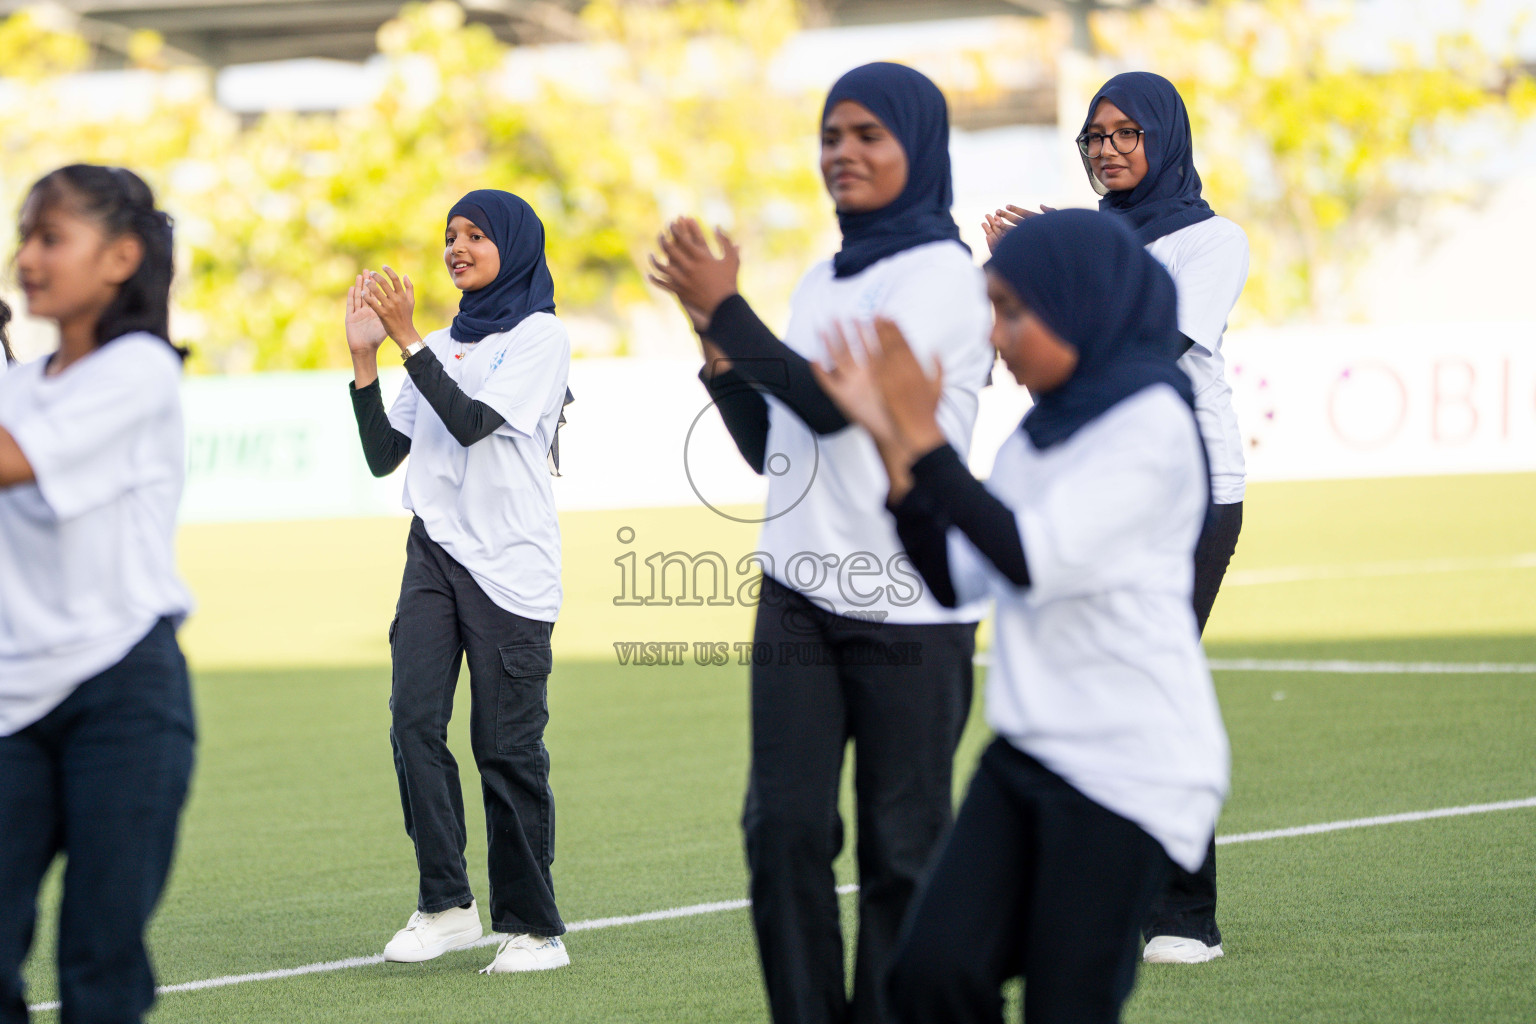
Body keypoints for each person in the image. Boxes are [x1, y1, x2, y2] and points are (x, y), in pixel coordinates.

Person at [814, 208, 1229, 1024]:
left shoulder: (1154, 422)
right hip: (1034, 750)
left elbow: (1030, 557)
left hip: (1129, 768)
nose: (997, 337)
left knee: (1065, 1005)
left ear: (1079, 302)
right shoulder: (1037, 435)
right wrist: (897, 447)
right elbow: (955, 574)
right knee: (931, 976)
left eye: (1012, 311)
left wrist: (924, 439)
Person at [648, 62, 994, 1024]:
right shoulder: (815, 280)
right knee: (782, 831)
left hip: (912, 605)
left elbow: (851, 413)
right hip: (799, 587)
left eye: (869, 135)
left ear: (918, 147)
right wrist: (720, 358)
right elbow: (780, 450)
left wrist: (727, 309)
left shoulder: (947, 279)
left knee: (901, 851)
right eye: (830, 135)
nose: (843, 152)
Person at [983, 70, 1248, 964]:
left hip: (1190, 483)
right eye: (1095, 136)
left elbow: (1148, 345)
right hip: (1090, 479)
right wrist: (1037, 265)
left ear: (1165, 137)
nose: (1107, 149)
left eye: (1127, 133)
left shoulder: (1214, 241)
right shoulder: (1094, 241)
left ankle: (1182, 914)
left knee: (1144, 672)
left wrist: (1062, 259)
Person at [346, 189, 572, 974]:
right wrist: (365, 357)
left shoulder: (541, 338)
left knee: (504, 747)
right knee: (413, 721)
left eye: (476, 234)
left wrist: (409, 340)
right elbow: (386, 455)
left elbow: (473, 423)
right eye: (450, 235)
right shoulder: (439, 341)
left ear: (513, 243)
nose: (457, 246)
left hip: (511, 567)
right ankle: (447, 905)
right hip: (434, 552)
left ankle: (534, 929)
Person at [0, 164, 195, 1024]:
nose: (26, 257)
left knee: (100, 957)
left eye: (51, 237)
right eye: (24, 237)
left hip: (121, 690)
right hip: (10, 703)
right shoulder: (19, 383)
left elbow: (12, 461)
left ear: (119, 258)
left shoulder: (140, 368)